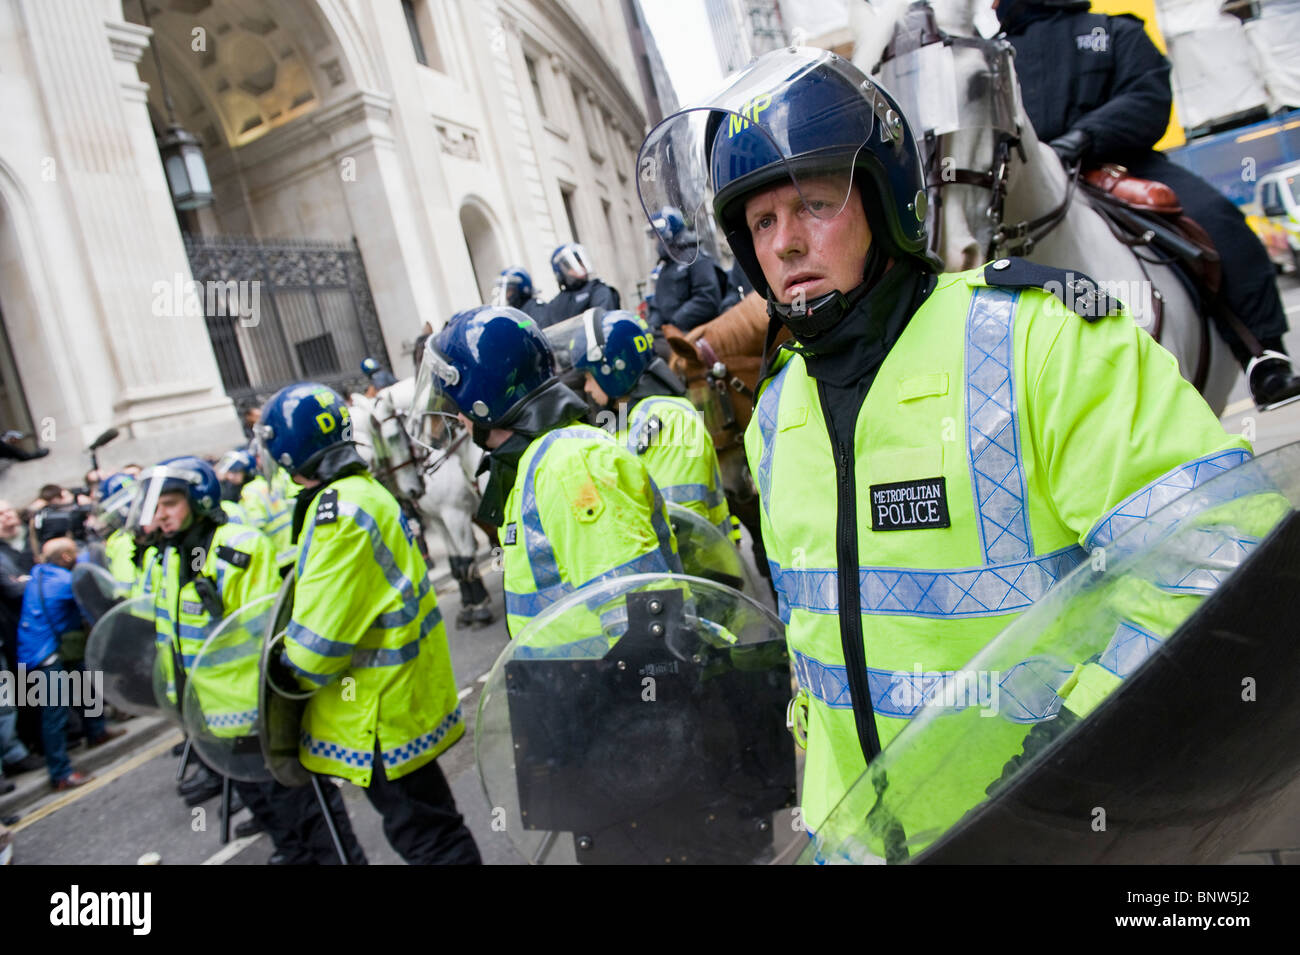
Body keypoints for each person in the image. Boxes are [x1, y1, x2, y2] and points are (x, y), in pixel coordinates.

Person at [640, 46, 1255, 834]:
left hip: (1050, 833)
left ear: (885, 199)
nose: (786, 242)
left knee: (1215, 233)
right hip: (857, 841)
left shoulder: (1043, 340)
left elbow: (1215, 565)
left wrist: (1064, 758)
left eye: (814, 205)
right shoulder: (776, 411)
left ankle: (1259, 338)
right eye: (762, 221)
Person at [994, 0, 1300, 410]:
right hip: (1022, 185)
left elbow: (1146, 94)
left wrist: (1083, 138)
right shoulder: (992, 58)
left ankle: (1263, 355)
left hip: (1121, 164)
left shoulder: (1115, 31)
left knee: (1219, 220)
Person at [254, 382, 481, 865]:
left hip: (378, 714)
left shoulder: (338, 512)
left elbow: (315, 649)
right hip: (398, 702)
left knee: (428, 840)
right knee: (431, 828)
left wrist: (279, 671)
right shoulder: (361, 492)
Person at [131, 455, 365, 863]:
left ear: (198, 498)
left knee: (305, 809)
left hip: (255, 712)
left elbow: (264, 635)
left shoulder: (239, 548)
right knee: (265, 808)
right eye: (156, 507)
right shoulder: (167, 556)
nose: (160, 516)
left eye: (169, 504)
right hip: (207, 714)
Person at [413, 305, 680, 638]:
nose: (457, 417)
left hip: (598, 684)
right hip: (567, 684)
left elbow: (642, 627)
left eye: (454, 403)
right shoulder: (535, 463)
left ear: (479, 398)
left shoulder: (569, 466)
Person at [558, 307, 736, 541]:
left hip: (701, 569)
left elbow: (680, 527)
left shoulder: (670, 419)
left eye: (589, 377)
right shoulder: (624, 421)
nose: (588, 388)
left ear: (612, 369)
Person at [17, 537, 126, 789]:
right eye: (75, 552)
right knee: (54, 714)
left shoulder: (42, 572)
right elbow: (97, 597)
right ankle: (60, 774)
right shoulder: (64, 582)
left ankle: (96, 731)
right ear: (66, 557)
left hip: (54, 648)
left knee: (84, 682)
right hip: (43, 655)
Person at [645, 206, 723, 335]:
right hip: (671, 335)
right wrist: (654, 327)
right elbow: (657, 303)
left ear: (669, 233)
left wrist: (674, 324)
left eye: (658, 236)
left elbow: (707, 298)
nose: (656, 242)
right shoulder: (666, 266)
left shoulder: (696, 258)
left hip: (697, 335)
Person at [539, 243, 620, 327]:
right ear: (561, 271)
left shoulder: (598, 289)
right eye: (571, 264)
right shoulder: (555, 304)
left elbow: (602, 322)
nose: (581, 266)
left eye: (581, 261)